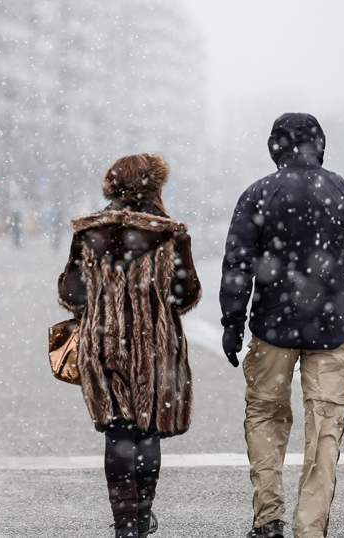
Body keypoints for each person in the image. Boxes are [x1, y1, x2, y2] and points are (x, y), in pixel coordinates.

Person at [219, 113, 344, 538]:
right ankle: (310, 527)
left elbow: (237, 266)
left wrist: (232, 322)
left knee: (265, 416)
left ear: (276, 147)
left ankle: (268, 517)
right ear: (320, 145)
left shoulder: (258, 194)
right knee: (325, 428)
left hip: (272, 329)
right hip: (332, 331)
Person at [58, 153, 201, 538]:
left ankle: (124, 525)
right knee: (148, 432)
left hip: (103, 344)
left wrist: (103, 295)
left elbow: (71, 294)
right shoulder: (170, 233)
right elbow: (185, 295)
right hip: (155, 347)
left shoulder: (88, 232)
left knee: (117, 431)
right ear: (153, 186)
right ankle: (141, 518)